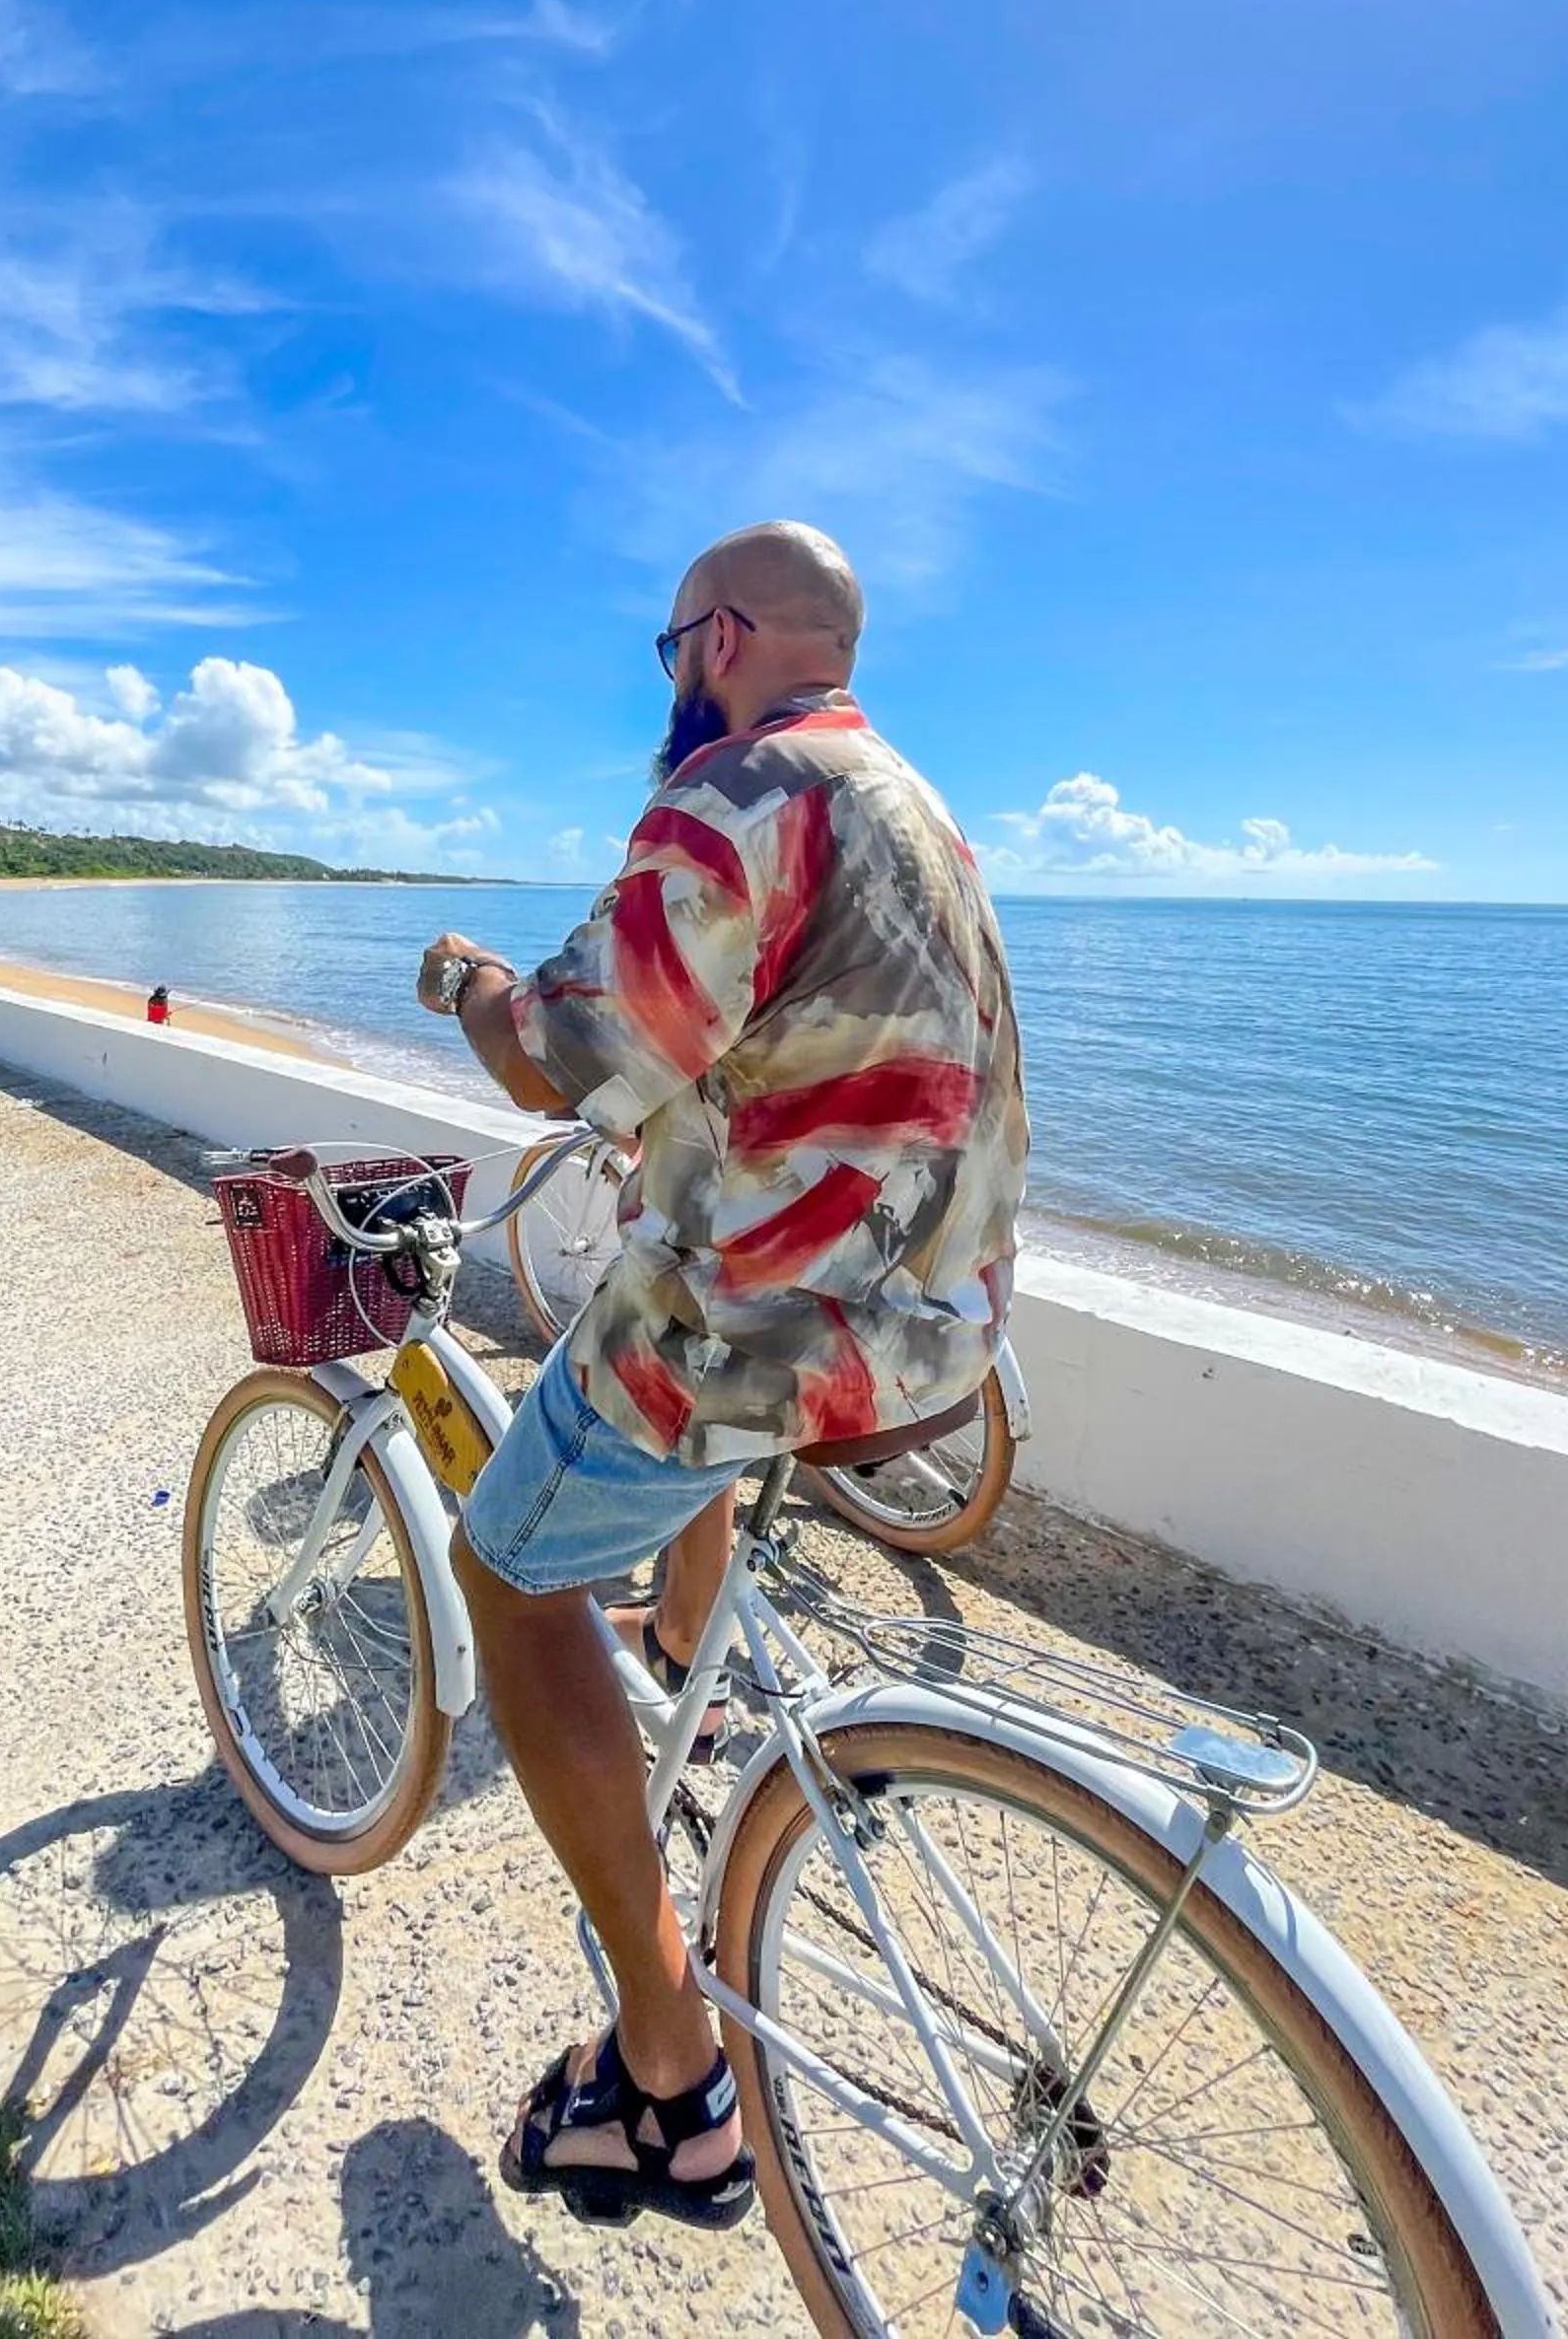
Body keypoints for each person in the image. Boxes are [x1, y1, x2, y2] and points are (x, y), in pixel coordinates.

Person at [415, 519, 1028, 2233]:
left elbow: (562, 1057)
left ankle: (669, 2066)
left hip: (758, 1336)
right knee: (677, 1497)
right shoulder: (919, 807)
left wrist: (467, 981)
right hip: (934, 1334)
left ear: (725, 637)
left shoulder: (743, 791)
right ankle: (685, 1669)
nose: (668, 681)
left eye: (672, 647)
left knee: (509, 1573)